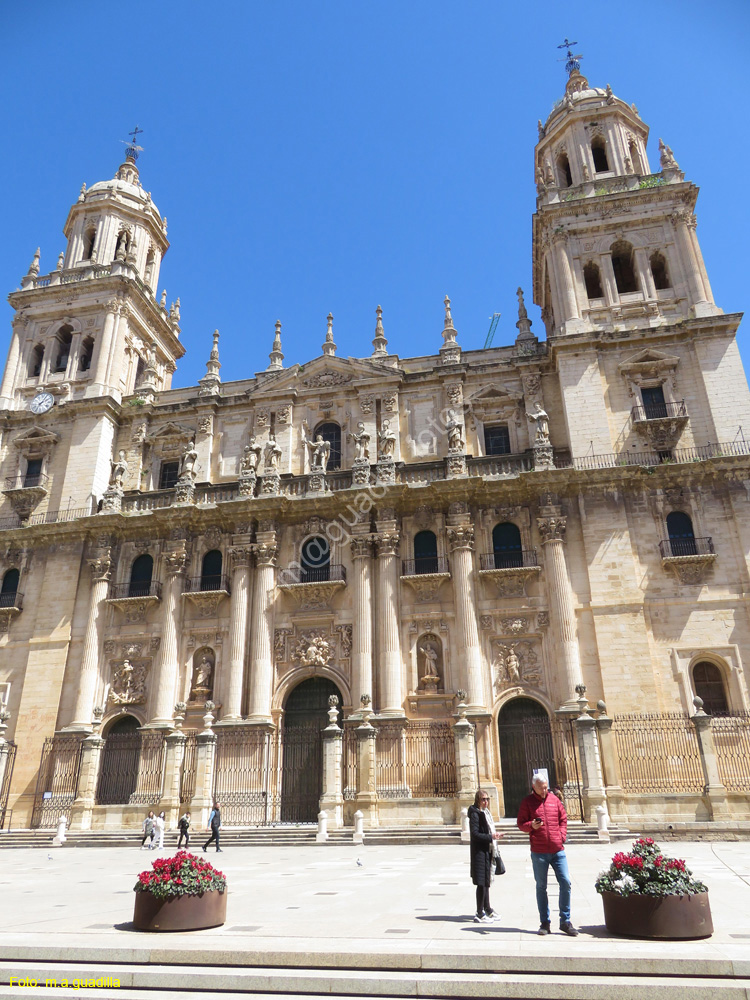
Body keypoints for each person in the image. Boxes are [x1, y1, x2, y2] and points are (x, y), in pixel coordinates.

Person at [517, 774, 578, 936]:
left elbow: (563, 819)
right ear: (534, 787)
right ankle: (545, 922)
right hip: (539, 851)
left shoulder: (554, 800)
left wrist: (561, 836)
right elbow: (521, 824)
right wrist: (531, 825)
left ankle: (565, 921)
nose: (545, 790)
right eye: (542, 788)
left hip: (558, 850)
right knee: (541, 887)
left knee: (565, 882)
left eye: (546, 787)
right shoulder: (527, 802)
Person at [468, 788, 503, 923]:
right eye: (483, 799)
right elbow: (475, 834)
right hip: (479, 852)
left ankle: (487, 909)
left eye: (487, 799)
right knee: (481, 883)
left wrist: (493, 836)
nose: (486, 801)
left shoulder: (486, 813)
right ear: (478, 800)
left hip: (488, 849)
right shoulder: (475, 814)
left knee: (486, 881)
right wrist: (491, 836)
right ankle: (479, 912)